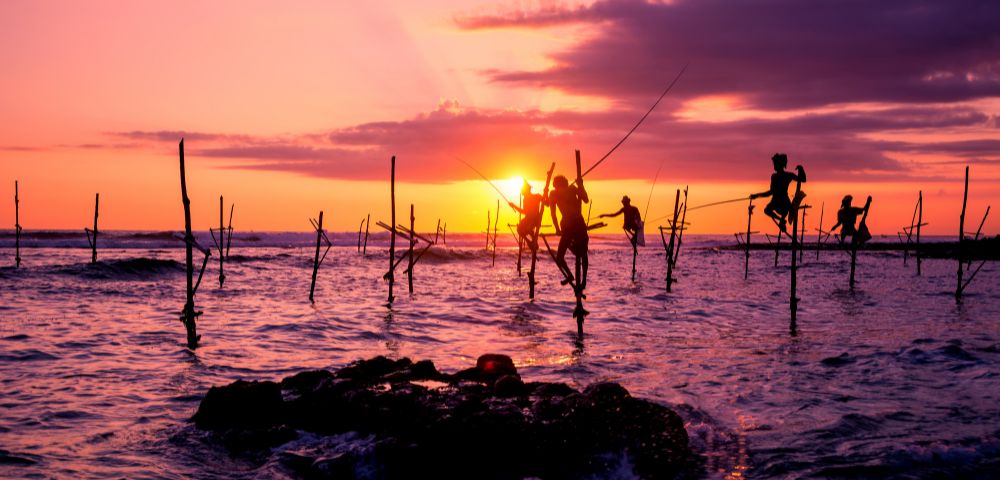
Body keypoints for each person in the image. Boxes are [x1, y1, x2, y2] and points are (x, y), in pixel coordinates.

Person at [549, 175, 589, 290]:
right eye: (557, 187)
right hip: (566, 227)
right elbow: (553, 213)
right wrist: (557, 228)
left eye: (560, 186)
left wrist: (581, 185)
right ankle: (570, 275)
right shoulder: (554, 194)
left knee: (583, 253)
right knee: (560, 257)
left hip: (579, 224)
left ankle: (583, 281)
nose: (559, 188)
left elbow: (585, 199)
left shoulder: (573, 189)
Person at [750, 153, 806, 233]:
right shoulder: (780, 176)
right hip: (778, 201)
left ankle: (782, 221)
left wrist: (801, 169)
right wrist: (756, 195)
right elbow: (770, 192)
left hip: (782, 202)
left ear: (780, 165)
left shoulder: (784, 176)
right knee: (767, 210)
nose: (774, 166)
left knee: (770, 210)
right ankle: (782, 221)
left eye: (775, 164)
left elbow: (803, 180)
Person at [508, 181, 544, 252]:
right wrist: (514, 206)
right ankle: (529, 242)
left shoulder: (537, 196)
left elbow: (547, 203)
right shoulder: (525, 199)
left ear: (527, 190)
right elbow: (525, 212)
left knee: (528, 229)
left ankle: (533, 240)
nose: (522, 193)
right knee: (519, 230)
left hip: (535, 219)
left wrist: (544, 196)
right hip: (528, 218)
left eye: (522, 191)